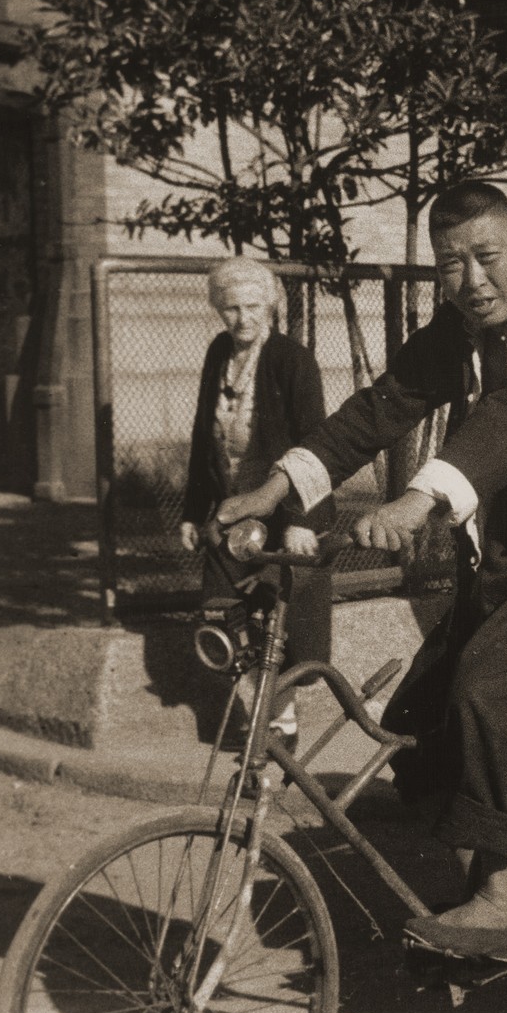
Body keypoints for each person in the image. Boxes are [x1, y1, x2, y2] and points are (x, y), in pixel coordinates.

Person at [217, 181, 507, 962]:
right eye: (450, 264)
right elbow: (378, 408)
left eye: (486, 256)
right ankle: (483, 889)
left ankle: (500, 904)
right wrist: (275, 484)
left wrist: (415, 500)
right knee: (419, 721)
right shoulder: (456, 331)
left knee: (490, 693)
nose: (471, 280)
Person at [178, 257, 333, 746]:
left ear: (270, 306)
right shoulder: (217, 354)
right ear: (218, 311)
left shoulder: (293, 359)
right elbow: (205, 440)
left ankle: (278, 725)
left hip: (285, 512)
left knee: (277, 618)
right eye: (230, 309)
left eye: (251, 307)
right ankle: (258, 709)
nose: (242, 319)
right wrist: (191, 511)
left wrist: (300, 519)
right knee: (222, 613)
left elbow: (313, 442)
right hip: (230, 510)